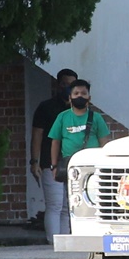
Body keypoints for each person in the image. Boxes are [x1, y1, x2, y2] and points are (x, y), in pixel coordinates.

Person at [48, 79, 109, 234]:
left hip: (93, 167)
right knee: (72, 200)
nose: (79, 96)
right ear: (70, 97)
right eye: (76, 93)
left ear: (89, 97)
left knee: (96, 198)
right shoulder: (62, 117)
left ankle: (96, 231)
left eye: (83, 93)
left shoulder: (96, 118)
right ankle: (74, 231)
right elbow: (55, 142)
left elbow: (104, 143)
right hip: (71, 167)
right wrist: (54, 165)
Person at [29, 68, 77, 237]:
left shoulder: (78, 109)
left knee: (68, 206)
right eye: (64, 84)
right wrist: (34, 161)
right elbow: (37, 135)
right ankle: (52, 243)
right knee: (55, 204)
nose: (67, 88)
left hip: (73, 163)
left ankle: (64, 242)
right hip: (51, 162)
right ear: (58, 85)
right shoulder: (46, 107)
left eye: (71, 85)